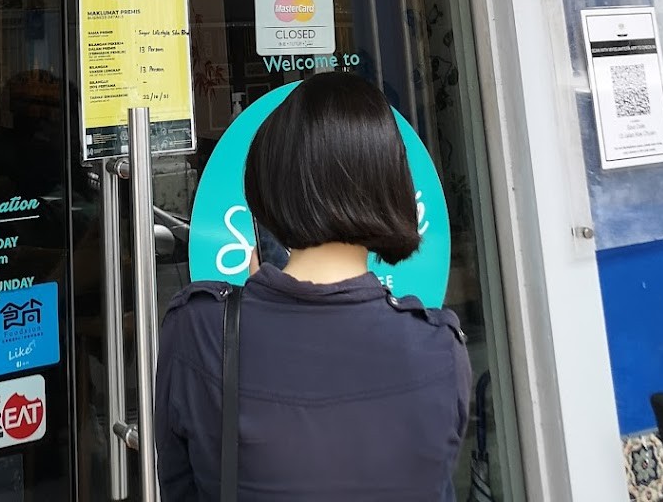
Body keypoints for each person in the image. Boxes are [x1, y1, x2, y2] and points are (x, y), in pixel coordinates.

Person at [155, 73, 471, 500]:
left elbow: (180, 486)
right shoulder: (440, 349)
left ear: (267, 182)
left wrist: (253, 308)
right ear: (392, 185)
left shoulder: (199, 332)